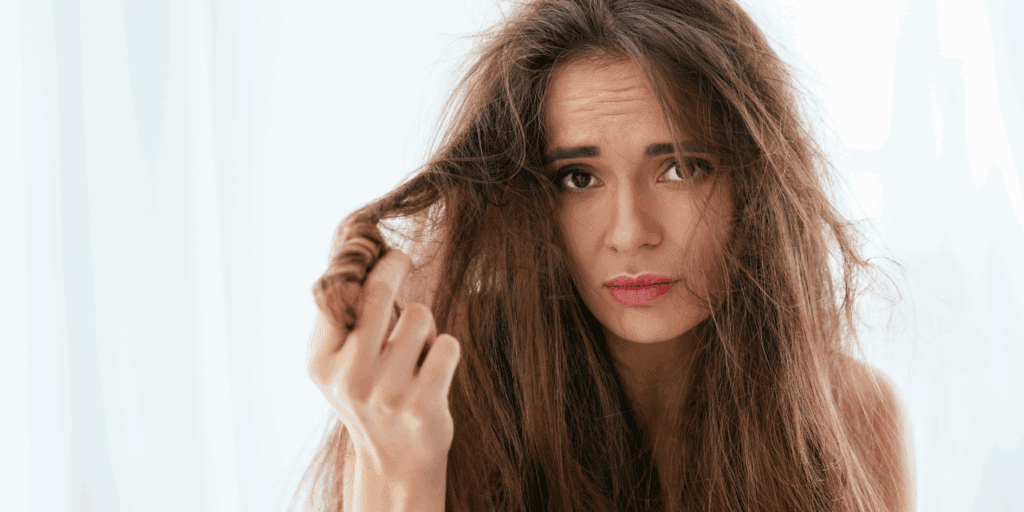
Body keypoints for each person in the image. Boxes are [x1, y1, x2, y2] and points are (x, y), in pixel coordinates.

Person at [292, 0, 914, 510]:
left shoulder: (853, 415)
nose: (629, 234)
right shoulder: (428, 402)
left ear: (757, 186)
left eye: (680, 168)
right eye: (578, 178)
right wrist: (399, 474)